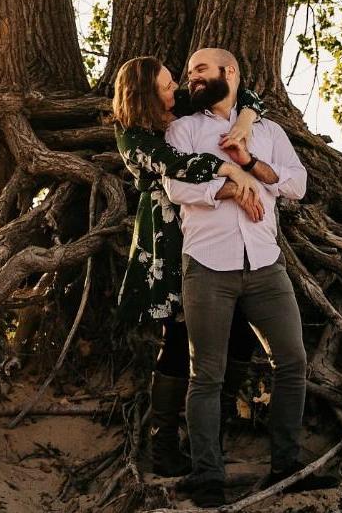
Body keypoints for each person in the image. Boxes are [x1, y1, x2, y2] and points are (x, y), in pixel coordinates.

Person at [163, 48, 309, 507]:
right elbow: (177, 185)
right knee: (206, 374)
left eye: (201, 70)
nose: (192, 80)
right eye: (188, 75)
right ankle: (207, 475)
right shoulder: (184, 129)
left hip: (266, 264)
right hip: (207, 265)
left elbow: (297, 185)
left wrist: (249, 165)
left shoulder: (268, 131)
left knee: (293, 362)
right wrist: (233, 189)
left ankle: (286, 465)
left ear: (230, 72)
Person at [109, 56, 267, 475]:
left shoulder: (179, 108)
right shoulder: (132, 134)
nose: (175, 87)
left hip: (209, 229)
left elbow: (247, 95)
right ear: (144, 93)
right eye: (165, 84)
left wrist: (246, 119)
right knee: (179, 339)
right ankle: (163, 444)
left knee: (238, 331)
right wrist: (230, 170)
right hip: (169, 237)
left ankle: (211, 433)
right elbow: (174, 164)